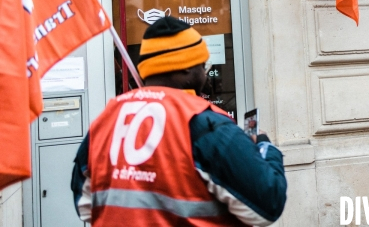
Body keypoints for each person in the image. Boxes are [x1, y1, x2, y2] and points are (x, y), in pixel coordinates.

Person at [71, 17, 287, 226]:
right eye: (203, 66)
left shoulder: (106, 120)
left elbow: (85, 205)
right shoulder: (207, 124)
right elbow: (269, 203)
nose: (205, 73)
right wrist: (265, 146)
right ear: (186, 68)